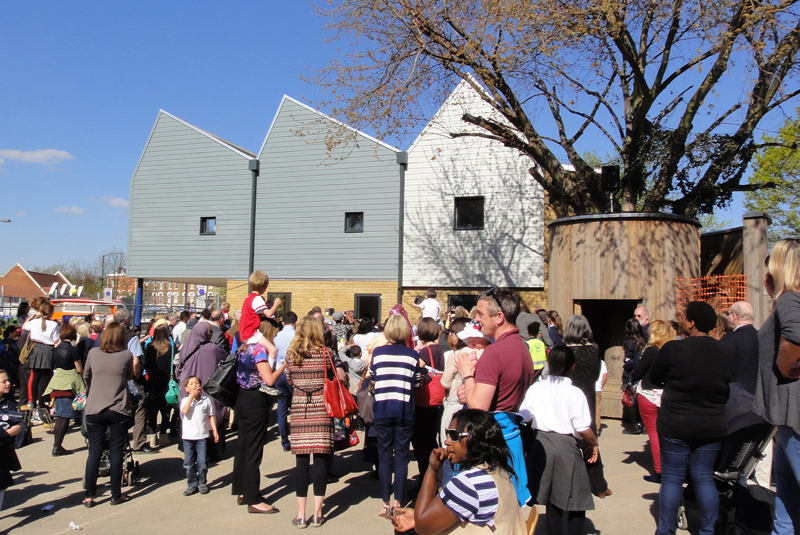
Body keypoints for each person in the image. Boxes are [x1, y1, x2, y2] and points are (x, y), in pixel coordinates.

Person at [649, 301, 736, 535]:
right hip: (711, 424)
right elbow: (729, 382)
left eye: (684, 317)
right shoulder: (726, 351)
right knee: (704, 478)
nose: (681, 320)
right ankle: (709, 530)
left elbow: (655, 378)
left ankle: (666, 530)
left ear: (692, 322)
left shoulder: (673, 349)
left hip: (675, 423)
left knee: (672, 478)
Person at [454, 287, 534, 506]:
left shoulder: (495, 352)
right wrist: (472, 386)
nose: (476, 320)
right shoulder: (521, 347)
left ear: (499, 317)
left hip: (491, 446)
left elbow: (478, 406)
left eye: (480, 314)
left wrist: (467, 374)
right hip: (510, 437)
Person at [391, 409, 526, 535]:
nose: (446, 441)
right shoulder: (499, 470)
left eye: (454, 435)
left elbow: (422, 527)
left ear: (475, 439)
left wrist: (432, 469)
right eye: (448, 433)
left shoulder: (469, 484)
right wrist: (417, 517)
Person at [520, 346, 598, 535]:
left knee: (552, 501)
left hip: (541, 444)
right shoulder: (574, 393)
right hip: (565, 447)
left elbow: (524, 416)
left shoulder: (536, 388)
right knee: (576, 499)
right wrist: (594, 443)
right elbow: (581, 428)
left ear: (549, 364)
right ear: (573, 367)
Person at [753, 238, 800, 534]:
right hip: (785, 418)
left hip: (793, 415)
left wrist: (785, 367)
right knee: (786, 492)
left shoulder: (789, 299)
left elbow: (795, 335)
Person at [371, 313, 424, 517]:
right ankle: (399, 502)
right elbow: (417, 383)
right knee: (401, 457)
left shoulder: (378, 353)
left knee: (384, 456)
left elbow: (373, 377)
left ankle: (385, 503)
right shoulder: (412, 355)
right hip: (404, 409)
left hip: (383, 407)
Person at [285, 316, 336, 528]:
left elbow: (289, 380)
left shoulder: (291, 355)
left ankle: (301, 514)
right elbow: (334, 378)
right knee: (322, 461)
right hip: (322, 408)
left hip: (300, 410)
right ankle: (317, 513)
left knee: (302, 462)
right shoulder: (326, 354)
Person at [231, 320, 285, 514]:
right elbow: (268, 379)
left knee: (243, 446)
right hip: (255, 399)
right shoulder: (260, 350)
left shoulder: (245, 347)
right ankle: (253, 498)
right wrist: (283, 366)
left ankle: (242, 490)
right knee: (254, 449)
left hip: (242, 397)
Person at [82, 322, 137, 507]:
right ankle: (115, 494)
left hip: (95, 406)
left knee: (94, 452)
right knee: (116, 452)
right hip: (118, 407)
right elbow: (129, 376)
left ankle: (89, 495)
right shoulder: (126, 355)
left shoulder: (93, 353)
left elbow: (86, 376)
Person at [563, 314, 610, 498]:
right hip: (588, 395)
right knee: (590, 441)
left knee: (569, 440)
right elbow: (597, 373)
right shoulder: (594, 350)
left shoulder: (564, 350)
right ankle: (599, 485)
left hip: (569, 396)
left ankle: (570, 485)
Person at [630, 319, 673, 483]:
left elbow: (638, 372)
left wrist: (630, 382)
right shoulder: (671, 350)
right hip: (667, 395)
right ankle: (669, 467)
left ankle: (659, 471)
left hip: (648, 393)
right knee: (666, 434)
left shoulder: (651, 351)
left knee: (654, 434)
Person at [177, 321, 227, 460]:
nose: (211, 334)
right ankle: (210, 451)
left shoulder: (186, 346)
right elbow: (223, 358)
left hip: (187, 387)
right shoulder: (212, 349)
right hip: (207, 388)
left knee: (190, 415)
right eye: (210, 331)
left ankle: (188, 449)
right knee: (210, 414)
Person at [411, 317, 445, 490]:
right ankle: (434, 479)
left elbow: (415, 370)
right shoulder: (439, 350)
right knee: (431, 441)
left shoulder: (425, 352)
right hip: (437, 402)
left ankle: (425, 483)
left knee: (421, 445)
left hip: (424, 402)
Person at [45, 323, 85, 456]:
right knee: (64, 416)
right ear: (73, 335)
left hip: (57, 381)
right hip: (69, 383)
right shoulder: (73, 349)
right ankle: (57, 447)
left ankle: (57, 445)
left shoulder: (55, 349)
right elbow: (79, 368)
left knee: (61, 415)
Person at [180, 375, 219, 496]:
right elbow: (184, 411)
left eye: (197, 383)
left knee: (202, 462)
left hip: (202, 436)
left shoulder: (206, 400)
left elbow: (210, 416)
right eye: (191, 384)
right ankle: (192, 484)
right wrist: (191, 397)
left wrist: (215, 431)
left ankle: (202, 483)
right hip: (188, 437)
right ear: (186, 389)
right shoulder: (185, 401)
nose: (195, 385)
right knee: (189, 463)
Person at [22, 299, 58, 418]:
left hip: (37, 348)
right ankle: (42, 401)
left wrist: (32, 316)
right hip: (48, 350)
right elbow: (56, 340)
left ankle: (31, 401)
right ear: (50, 313)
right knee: (46, 378)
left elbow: (24, 327)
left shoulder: (34, 322)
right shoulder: (54, 324)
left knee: (35, 377)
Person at [142, 321, 175, 447]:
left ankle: (152, 436)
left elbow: (146, 365)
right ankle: (163, 434)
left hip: (153, 381)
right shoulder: (171, 348)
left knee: (152, 410)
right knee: (166, 410)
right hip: (166, 381)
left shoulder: (150, 347)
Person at [239, 271, 280, 356]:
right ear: (265, 287)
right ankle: (269, 369)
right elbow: (268, 314)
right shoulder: (257, 298)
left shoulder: (249, 298)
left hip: (245, 332)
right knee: (273, 350)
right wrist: (276, 303)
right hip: (251, 332)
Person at [273, 311, 298, 452]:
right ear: (296, 322)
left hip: (278, 372)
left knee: (281, 408)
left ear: (282, 323)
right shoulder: (296, 336)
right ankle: (297, 437)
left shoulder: (277, 336)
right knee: (296, 407)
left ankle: (284, 441)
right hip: (292, 372)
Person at [0, 370, 22, 512]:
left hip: (3, 452)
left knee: (1, 487)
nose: (8, 384)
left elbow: (19, 425)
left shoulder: (8, 403)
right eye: (4, 381)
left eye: (8, 380)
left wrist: (3, 435)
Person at [622, 318, 647, 435]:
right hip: (643, 372)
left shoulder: (629, 342)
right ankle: (643, 424)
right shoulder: (644, 340)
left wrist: (626, 363)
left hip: (631, 373)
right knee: (641, 398)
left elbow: (629, 360)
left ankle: (634, 425)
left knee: (629, 398)